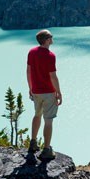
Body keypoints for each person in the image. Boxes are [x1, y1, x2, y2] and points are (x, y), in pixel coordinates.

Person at [26, 29, 62, 160]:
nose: (52, 38)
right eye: (51, 36)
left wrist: (30, 88)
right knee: (48, 121)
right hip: (48, 92)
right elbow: (53, 76)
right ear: (46, 40)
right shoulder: (50, 55)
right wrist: (58, 92)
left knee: (37, 115)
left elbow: (28, 71)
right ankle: (46, 149)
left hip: (36, 91)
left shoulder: (31, 52)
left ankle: (33, 142)